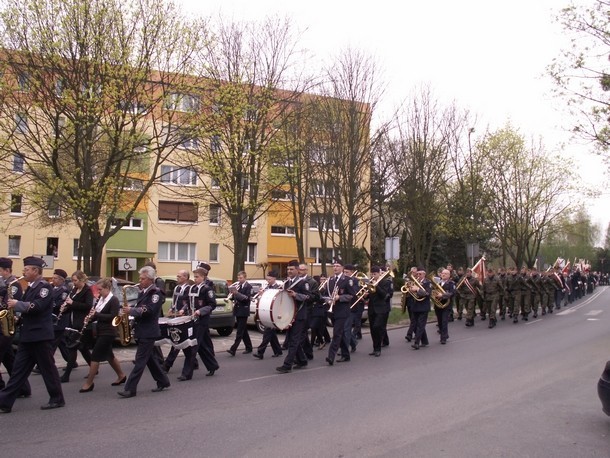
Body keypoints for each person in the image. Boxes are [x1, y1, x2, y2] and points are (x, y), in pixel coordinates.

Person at [0, 256, 65, 413]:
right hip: (28, 336)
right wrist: (17, 316)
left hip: (41, 336)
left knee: (48, 369)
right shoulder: (30, 287)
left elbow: (38, 306)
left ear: (36, 271)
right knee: (18, 370)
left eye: (27, 269)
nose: (24, 272)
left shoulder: (44, 288)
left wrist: (17, 305)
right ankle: (5, 402)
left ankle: (57, 398)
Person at [118, 266, 170, 398]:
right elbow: (140, 307)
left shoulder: (156, 293)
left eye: (142, 278)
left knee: (140, 361)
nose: (140, 280)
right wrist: (130, 310)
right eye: (140, 278)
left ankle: (130, 389)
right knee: (150, 359)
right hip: (141, 329)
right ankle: (163, 381)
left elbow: (150, 310)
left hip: (149, 331)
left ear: (150, 279)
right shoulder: (143, 292)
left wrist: (133, 311)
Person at [80, 278, 126, 392]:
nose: (98, 292)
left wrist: (97, 314)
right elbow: (97, 316)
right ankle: (121, 375)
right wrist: (89, 319)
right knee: (109, 356)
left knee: (95, 356)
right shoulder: (101, 299)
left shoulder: (113, 300)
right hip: (101, 331)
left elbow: (113, 316)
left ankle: (89, 383)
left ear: (107, 288)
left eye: (100, 289)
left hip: (109, 332)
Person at [276, 260, 318, 373]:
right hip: (290, 315)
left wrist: (296, 295)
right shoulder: (287, 283)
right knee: (291, 340)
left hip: (300, 315)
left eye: (291, 269)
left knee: (294, 340)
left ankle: (287, 365)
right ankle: (302, 360)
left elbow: (310, 298)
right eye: (288, 269)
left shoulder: (303, 283)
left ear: (297, 270)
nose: (289, 271)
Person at [0, 257, 30, 397]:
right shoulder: (4, 283)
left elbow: (8, 305)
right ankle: (23, 388)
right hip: (3, 325)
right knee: (9, 359)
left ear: (6, 270)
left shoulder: (13, 284)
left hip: (7, 325)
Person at [163, 270, 198, 375]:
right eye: (177, 276)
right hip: (176, 316)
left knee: (177, 340)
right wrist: (171, 308)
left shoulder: (188, 288)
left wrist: (183, 309)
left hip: (185, 317)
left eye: (179, 276)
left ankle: (167, 365)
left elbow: (189, 301)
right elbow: (175, 300)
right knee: (184, 342)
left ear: (185, 277)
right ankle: (194, 362)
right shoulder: (177, 288)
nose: (177, 277)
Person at [61, 270, 94, 383]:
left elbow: (88, 306)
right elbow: (71, 306)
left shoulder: (87, 291)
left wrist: (72, 303)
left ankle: (67, 375)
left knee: (72, 348)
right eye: (72, 280)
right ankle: (94, 368)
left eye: (75, 280)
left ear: (81, 280)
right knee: (83, 348)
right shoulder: (74, 290)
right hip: (72, 322)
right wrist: (65, 309)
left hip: (82, 324)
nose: (73, 283)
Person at [324, 261, 358, 365]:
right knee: (341, 333)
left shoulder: (347, 280)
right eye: (334, 266)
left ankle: (331, 356)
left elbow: (352, 295)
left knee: (337, 333)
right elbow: (326, 294)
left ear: (342, 268)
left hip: (343, 311)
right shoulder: (330, 280)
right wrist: (328, 300)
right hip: (333, 310)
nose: (335, 268)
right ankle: (346, 355)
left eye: (337, 266)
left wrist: (340, 297)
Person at [190, 264, 219, 378]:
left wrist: (200, 311)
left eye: (197, 277)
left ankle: (187, 371)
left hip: (202, 319)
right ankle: (212, 365)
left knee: (194, 344)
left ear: (203, 277)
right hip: (195, 318)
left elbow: (212, 304)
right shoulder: (194, 287)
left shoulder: (208, 287)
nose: (195, 279)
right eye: (194, 277)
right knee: (203, 344)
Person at [253, 270, 283, 359]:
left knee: (267, 333)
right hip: (267, 312)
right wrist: (261, 295)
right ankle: (278, 351)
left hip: (274, 313)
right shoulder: (267, 287)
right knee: (271, 334)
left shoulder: (279, 288)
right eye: (267, 279)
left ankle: (260, 352)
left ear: (274, 278)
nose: (268, 281)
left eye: (269, 279)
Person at [366, 266, 392, 356]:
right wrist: (365, 294)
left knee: (377, 327)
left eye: (375, 274)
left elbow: (385, 295)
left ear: (379, 274)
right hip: (372, 309)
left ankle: (378, 348)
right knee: (372, 329)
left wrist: (376, 286)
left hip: (381, 309)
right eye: (372, 274)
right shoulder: (370, 283)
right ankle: (375, 348)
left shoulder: (385, 282)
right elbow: (368, 297)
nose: (373, 276)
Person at [227, 271, 253, 356]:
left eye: (241, 278)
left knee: (239, 331)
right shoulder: (238, 285)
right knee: (244, 330)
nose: (239, 279)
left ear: (245, 278)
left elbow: (246, 299)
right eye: (238, 278)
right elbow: (236, 297)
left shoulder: (248, 286)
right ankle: (249, 347)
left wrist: (237, 293)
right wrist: (231, 295)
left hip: (244, 311)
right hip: (238, 310)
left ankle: (233, 349)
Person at [432, 269, 455, 344]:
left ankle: (443, 338)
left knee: (444, 321)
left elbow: (452, 293)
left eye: (445, 274)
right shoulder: (437, 282)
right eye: (442, 273)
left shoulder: (451, 283)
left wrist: (442, 295)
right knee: (440, 321)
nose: (443, 275)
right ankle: (445, 334)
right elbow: (433, 291)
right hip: (438, 305)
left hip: (446, 305)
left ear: (449, 275)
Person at [410, 270, 431, 350]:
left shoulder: (428, 283)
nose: (418, 275)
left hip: (423, 307)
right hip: (415, 306)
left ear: (424, 274)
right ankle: (425, 341)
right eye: (417, 274)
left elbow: (427, 294)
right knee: (415, 325)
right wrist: (410, 289)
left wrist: (418, 289)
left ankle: (416, 343)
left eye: (420, 274)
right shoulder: (414, 282)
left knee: (420, 325)